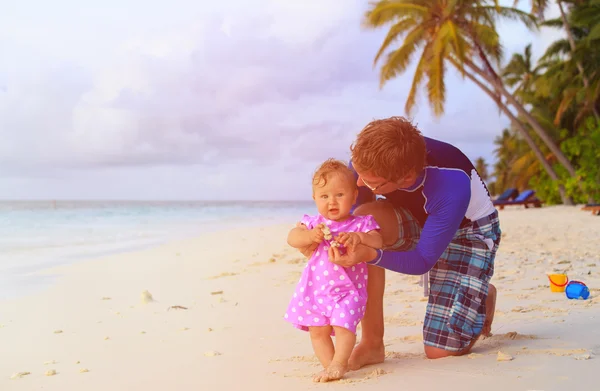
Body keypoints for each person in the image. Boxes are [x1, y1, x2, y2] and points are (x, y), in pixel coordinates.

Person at [300, 116, 502, 367]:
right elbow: (354, 222)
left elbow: (422, 261)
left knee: (439, 352)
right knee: (362, 223)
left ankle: (481, 295)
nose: (360, 183)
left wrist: (369, 254)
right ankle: (373, 344)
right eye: (359, 174)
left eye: (371, 182)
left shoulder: (451, 185)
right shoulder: (369, 162)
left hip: (468, 232)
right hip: (414, 216)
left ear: (406, 178)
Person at [284, 158, 384, 382]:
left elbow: (377, 240)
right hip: (315, 290)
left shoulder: (360, 224)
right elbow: (292, 237)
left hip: (348, 290)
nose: (332, 201)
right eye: (324, 196)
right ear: (314, 199)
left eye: (340, 195)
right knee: (317, 331)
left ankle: (340, 362)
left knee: (343, 325)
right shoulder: (314, 224)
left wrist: (359, 238)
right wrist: (309, 237)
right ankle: (330, 366)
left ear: (354, 196)